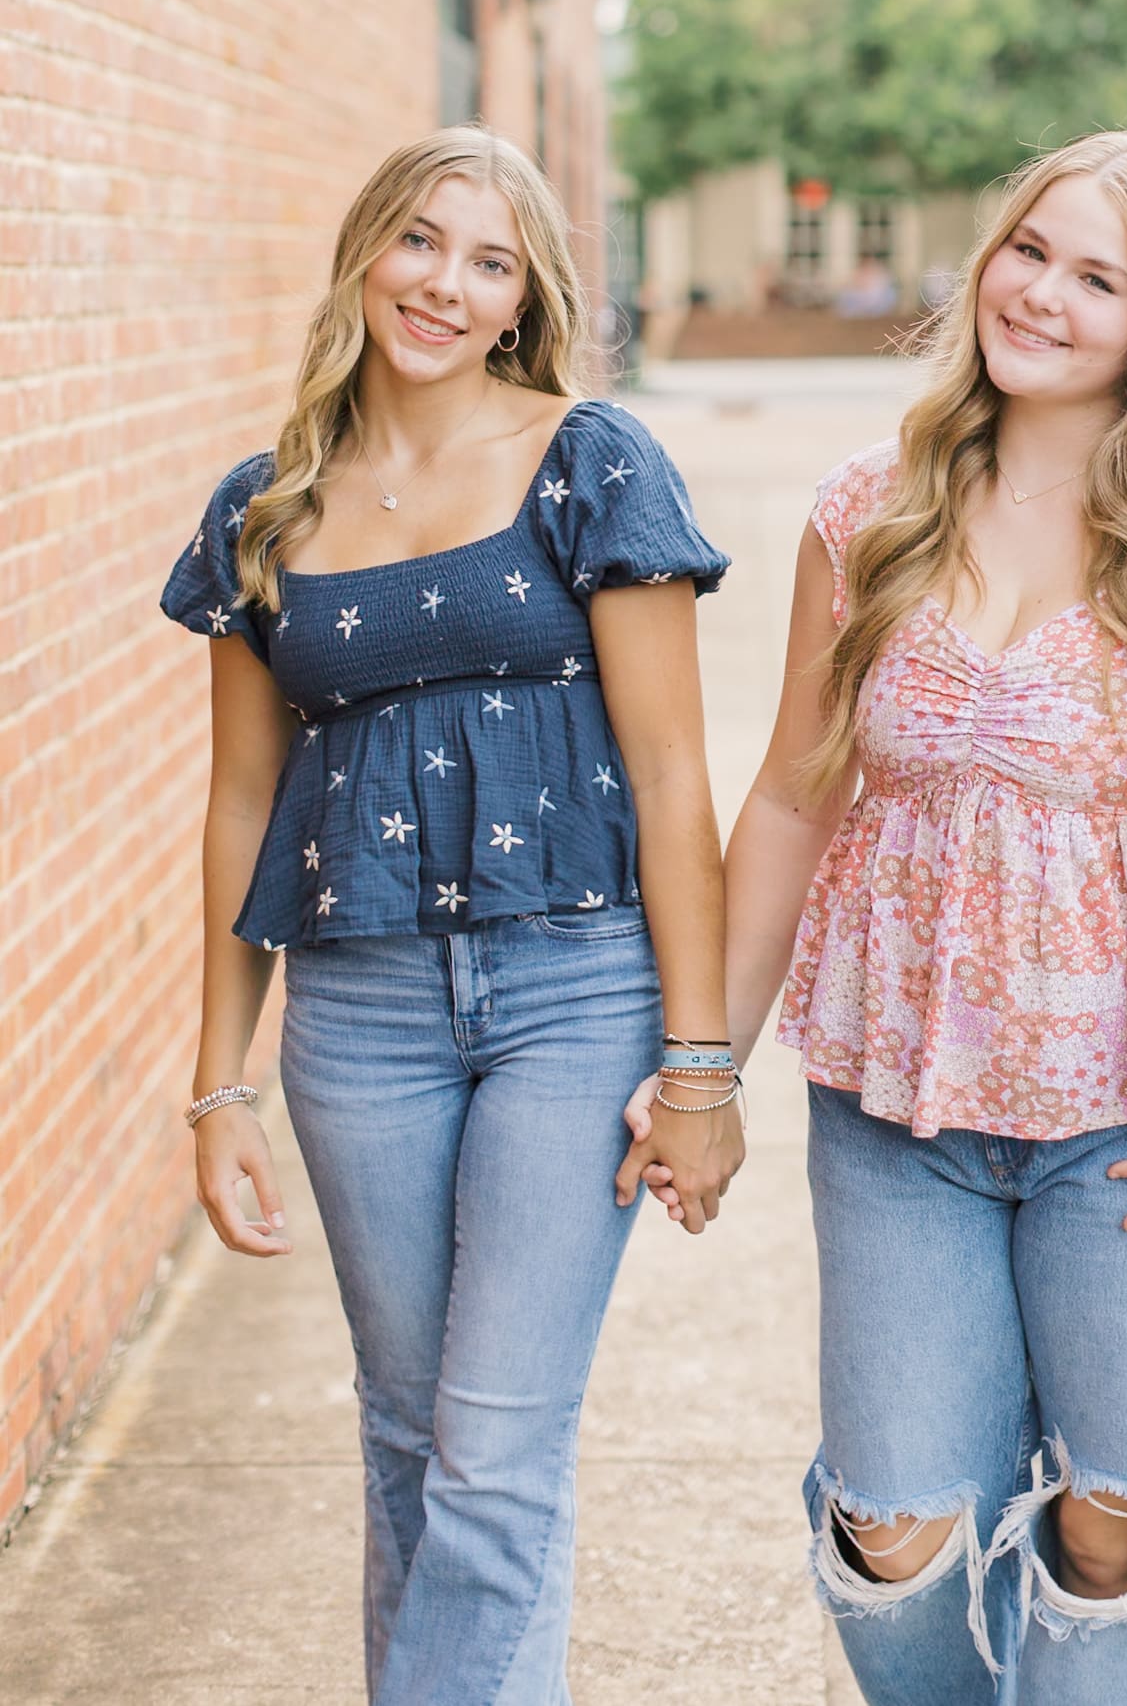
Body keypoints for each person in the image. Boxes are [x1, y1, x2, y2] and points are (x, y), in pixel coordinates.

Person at [644, 130, 1127, 1701]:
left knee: (1115, 1548)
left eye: (1094, 275)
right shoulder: (870, 511)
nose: (1039, 293)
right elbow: (790, 798)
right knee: (892, 1530)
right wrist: (701, 1060)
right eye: (1026, 249)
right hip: (897, 1110)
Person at [160, 126, 742, 1706]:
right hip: (355, 1015)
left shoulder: (592, 462)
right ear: (366, 250)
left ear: (519, 300)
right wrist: (218, 1082)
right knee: (413, 1435)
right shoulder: (262, 508)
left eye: (489, 261)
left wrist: (702, 1064)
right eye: (421, 240)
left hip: (573, 989)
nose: (445, 282)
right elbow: (237, 805)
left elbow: (675, 778)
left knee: (494, 1447)